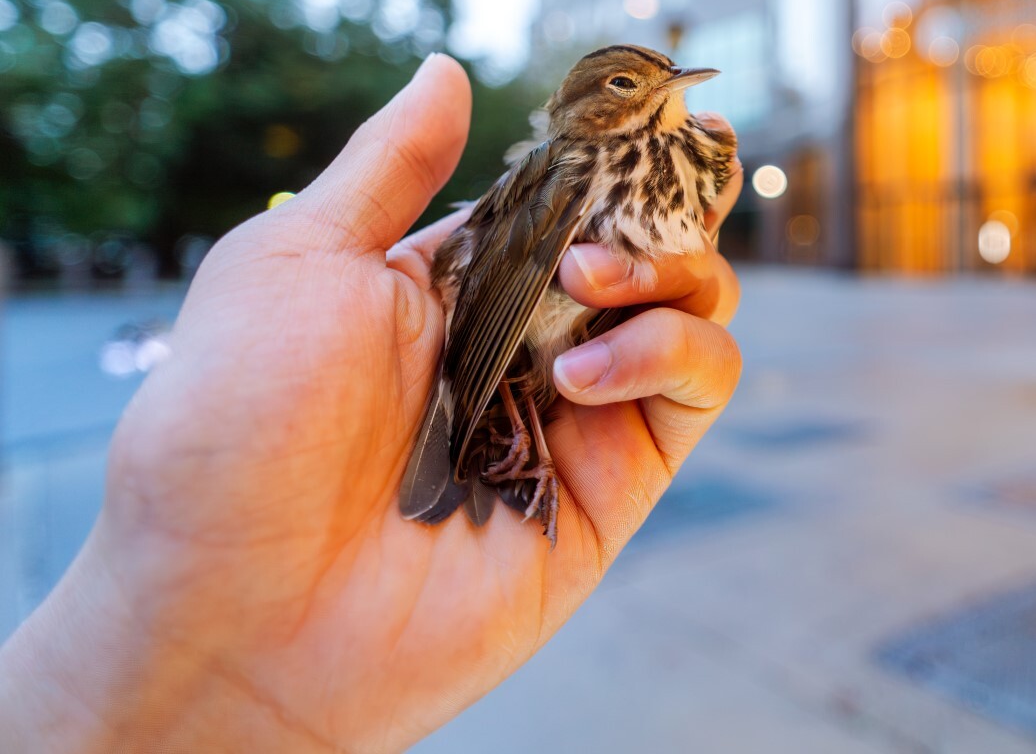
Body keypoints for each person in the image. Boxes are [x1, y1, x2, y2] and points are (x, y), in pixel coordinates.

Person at [0, 55, 744, 751]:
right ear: (587, 108)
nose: (664, 84)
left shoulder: (681, 160)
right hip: (497, 355)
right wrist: (473, 404)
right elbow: (499, 301)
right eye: (625, 82)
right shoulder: (577, 162)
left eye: (660, 78)